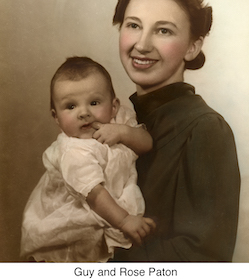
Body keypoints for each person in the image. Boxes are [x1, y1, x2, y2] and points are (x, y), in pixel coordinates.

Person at [110, 0, 241, 262]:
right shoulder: (117, 120)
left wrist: (97, 262)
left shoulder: (206, 129)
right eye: (133, 25)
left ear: (193, 47)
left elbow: (205, 257)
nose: (141, 45)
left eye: (163, 30)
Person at [20, 56, 155, 262]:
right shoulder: (73, 151)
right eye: (71, 106)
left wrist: (124, 133)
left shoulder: (120, 121)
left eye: (94, 102)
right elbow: (95, 195)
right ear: (56, 118)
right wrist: (126, 220)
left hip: (108, 207)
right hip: (75, 219)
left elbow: (147, 144)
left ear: (114, 106)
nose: (83, 113)